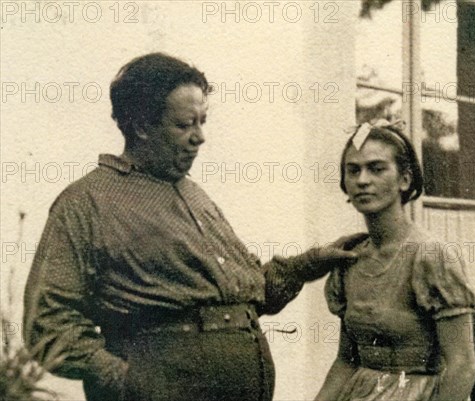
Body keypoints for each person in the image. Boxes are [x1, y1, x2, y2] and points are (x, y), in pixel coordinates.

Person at [23, 52, 360, 401]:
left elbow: (242, 296)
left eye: (202, 121)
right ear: (141, 126)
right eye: (184, 125)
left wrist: (307, 265)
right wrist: (124, 379)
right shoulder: (86, 202)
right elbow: (47, 323)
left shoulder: (194, 195)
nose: (199, 137)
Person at [314, 121, 475, 401]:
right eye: (353, 170)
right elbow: (347, 361)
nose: (362, 180)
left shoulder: (430, 256)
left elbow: (463, 367)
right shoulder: (349, 258)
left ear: (405, 180)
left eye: (377, 169)